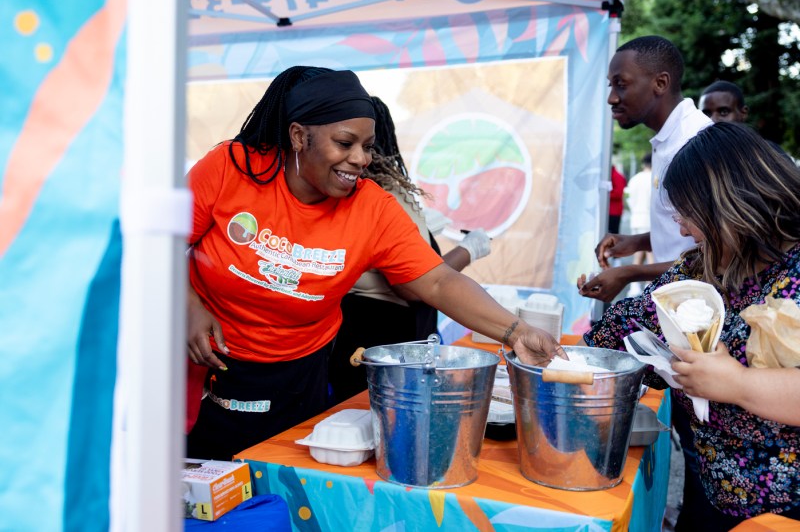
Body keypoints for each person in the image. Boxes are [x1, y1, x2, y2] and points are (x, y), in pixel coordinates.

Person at [184, 66, 562, 460]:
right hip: (204, 366)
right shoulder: (233, 167)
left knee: (279, 485)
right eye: (345, 143)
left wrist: (516, 333)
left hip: (298, 373)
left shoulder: (372, 208)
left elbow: (437, 282)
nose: (361, 159)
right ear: (299, 136)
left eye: (367, 146)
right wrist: (188, 305)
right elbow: (163, 240)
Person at [582, 122, 800, 530]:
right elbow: (630, 321)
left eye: (688, 214)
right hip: (713, 495)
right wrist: (580, 358)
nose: (681, 228)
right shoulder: (704, 265)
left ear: (730, 204)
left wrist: (738, 383)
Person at [327, 96, 492, 404]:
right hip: (380, 335)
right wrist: (469, 250)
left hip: (360, 333)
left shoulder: (359, 193)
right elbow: (415, 286)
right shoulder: (382, 194)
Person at [577, 35, 712, 303]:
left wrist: (629, 273)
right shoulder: (667, 139)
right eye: (610, 85)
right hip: (674, 301)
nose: (611, 98)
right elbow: (688, 234)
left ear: (660, 83)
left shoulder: (694, 143)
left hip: (700, 310)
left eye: (621, 85)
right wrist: (636, 243)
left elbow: (717, 253)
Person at [624, 153, 653, 296]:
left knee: (638, 254)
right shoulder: (654, 178)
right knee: (650, 255)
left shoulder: (635, 179)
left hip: (636, 217)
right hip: (650, 219)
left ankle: (634, 287)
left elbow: (629, 200)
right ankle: (649, 286)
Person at [607, 165, 626, 235]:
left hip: (613, 212)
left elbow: (618, 193)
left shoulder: (617, 176)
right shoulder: (610, 175)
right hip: (610, 211)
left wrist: (604, 195)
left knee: (613, 234)